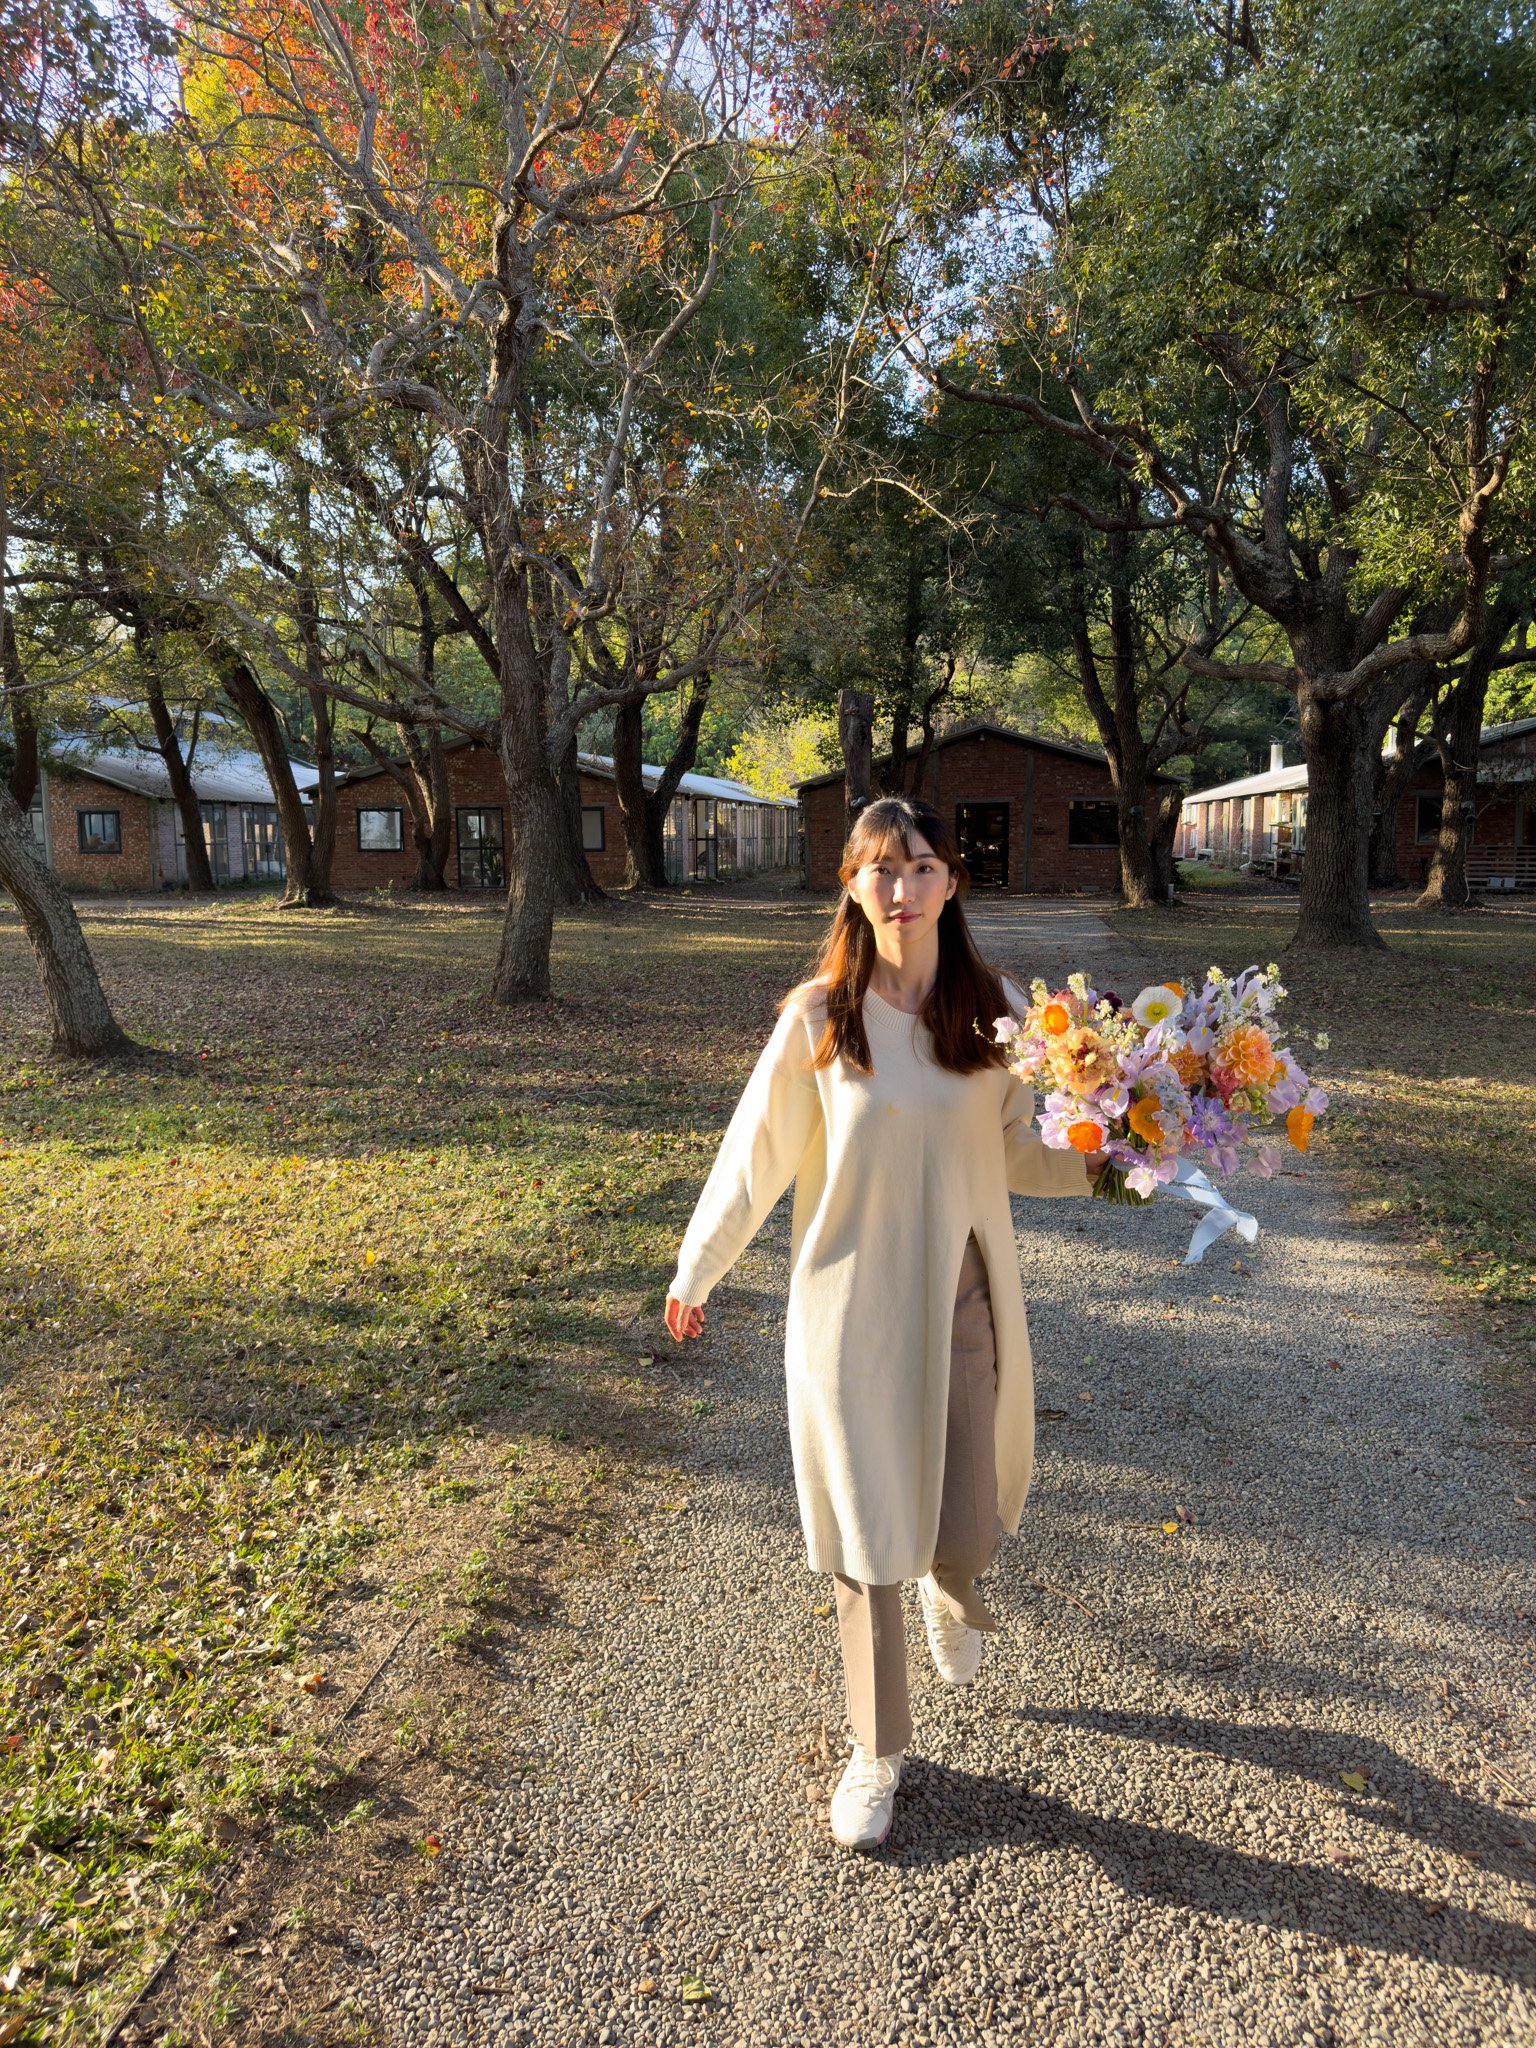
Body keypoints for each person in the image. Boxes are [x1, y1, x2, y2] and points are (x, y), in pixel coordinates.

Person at [664, 795, 1103, 1850]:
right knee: (866, 1538)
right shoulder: (821, 1016)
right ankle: (877, 1750)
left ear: (950, 881)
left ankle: (955, 1586)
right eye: (878, 871)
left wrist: (1120, 1153)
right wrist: (699, 1264)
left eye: (918, 869)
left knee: (961, 1511)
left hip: (959, 1297)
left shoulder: (993, 1011)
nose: (900, 890)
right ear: (853, 890)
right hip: (848, 1311)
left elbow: (1020, 1149)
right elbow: (753, 1154)